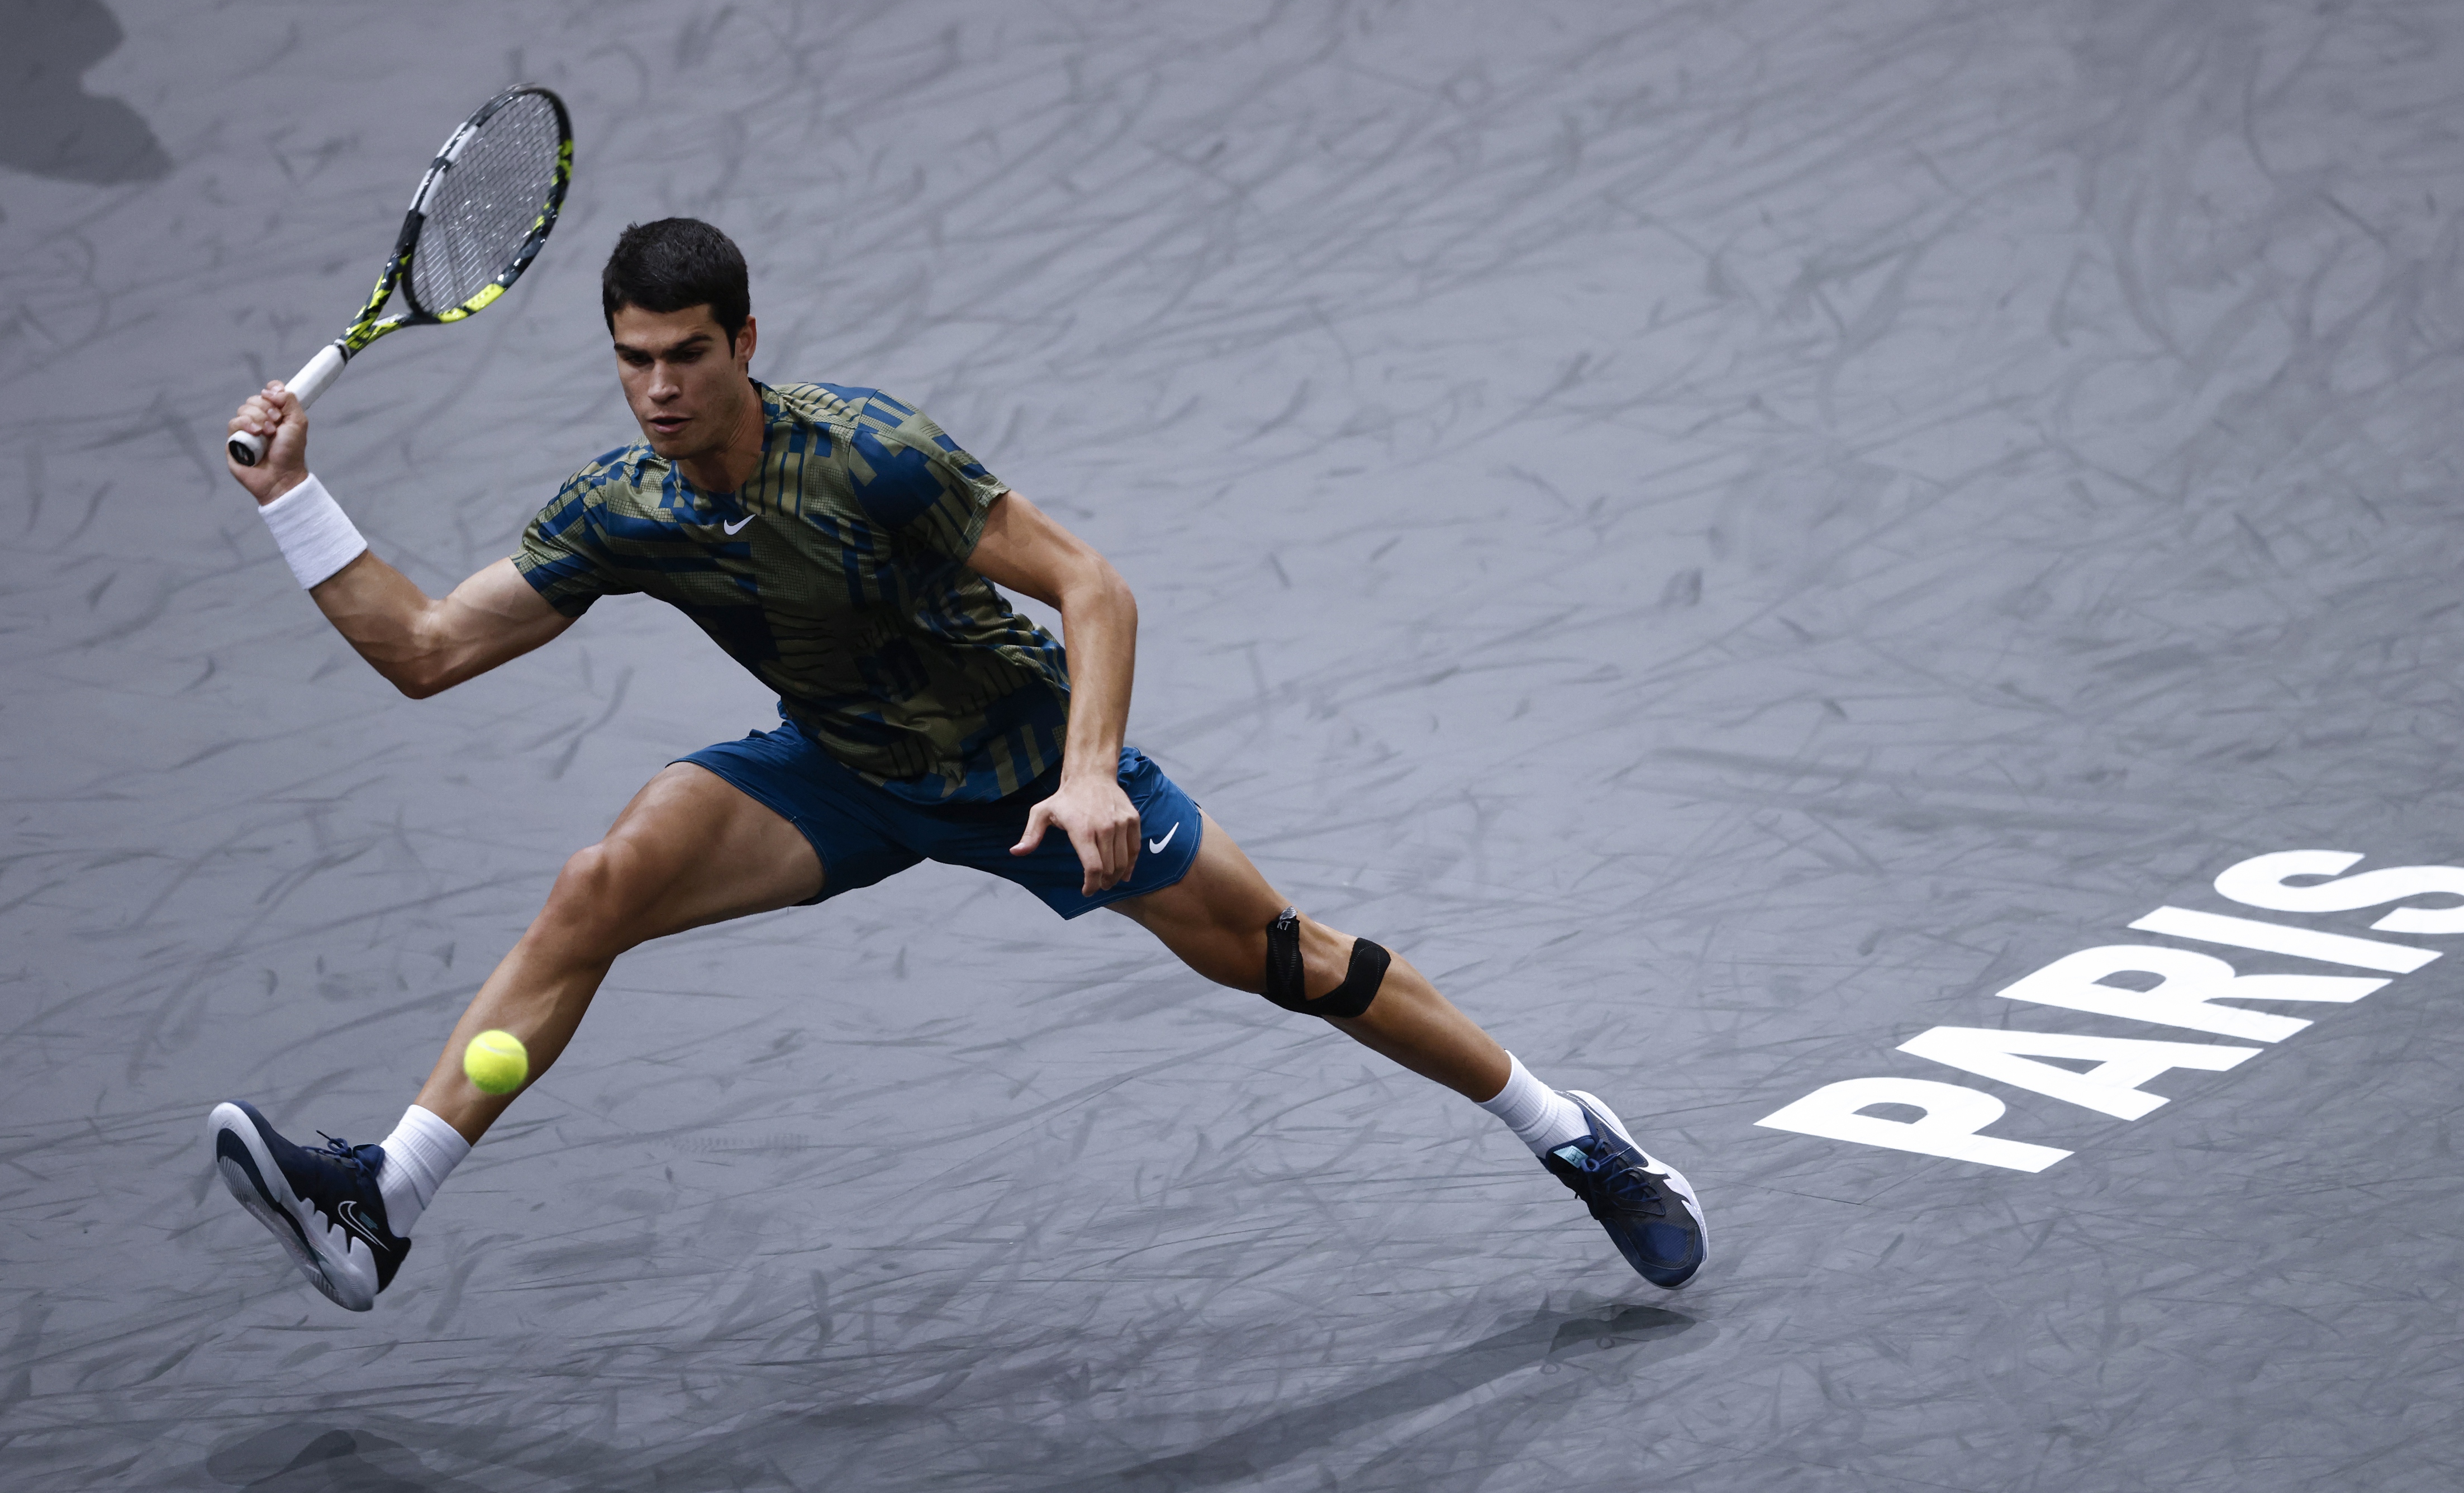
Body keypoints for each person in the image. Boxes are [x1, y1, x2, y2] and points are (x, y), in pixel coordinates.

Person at [210, 217, 1707, 1314]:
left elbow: (1091, 585)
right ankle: (384, 1205)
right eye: (630, 362)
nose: (657, 390)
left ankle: (1575, 1138)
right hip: (840, 771)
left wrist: (1094, 770)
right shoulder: (620, 506)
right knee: (599, 885)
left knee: (1289, 961)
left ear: (743, 341)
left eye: (683, 356)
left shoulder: (871, 454)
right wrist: (294, 500)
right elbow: (424, 650)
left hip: (1023, 776)